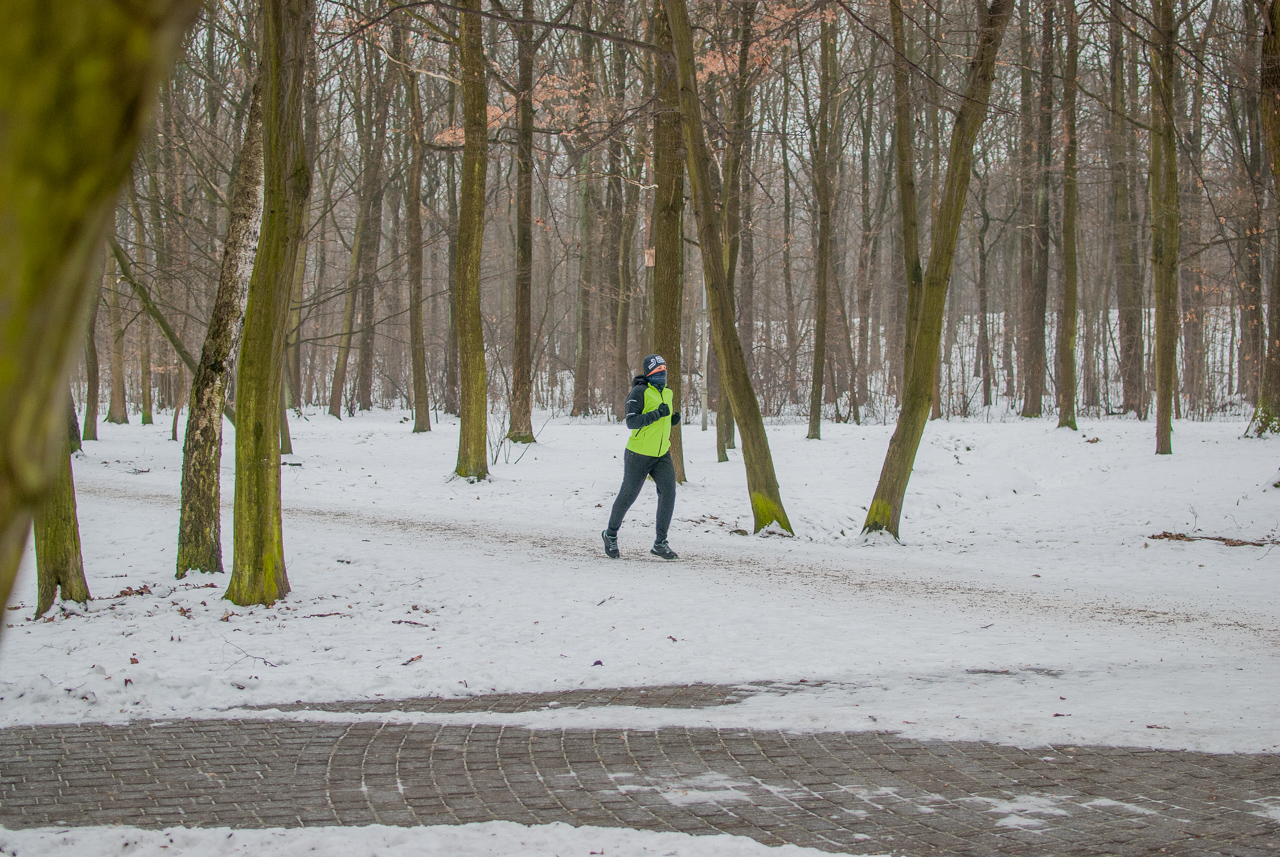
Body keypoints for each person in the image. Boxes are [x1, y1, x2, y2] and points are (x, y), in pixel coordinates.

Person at [602, 354, 680, 560]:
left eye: (664, 372)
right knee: (628, 495)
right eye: (657, 372)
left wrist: (671, 420)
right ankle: (610, 534)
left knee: (669, 494)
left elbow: (660, 421)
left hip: (662, 453)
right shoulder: (639, 392)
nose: (662, 375)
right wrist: (658, 415)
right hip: (638, 454)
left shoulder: (668, 393)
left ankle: (660, 543)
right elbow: (632, 422)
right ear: (649, 374)